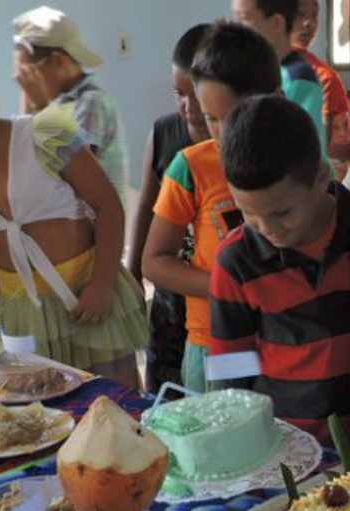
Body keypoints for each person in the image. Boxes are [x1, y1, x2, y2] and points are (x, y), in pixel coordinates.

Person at [0, 31, 147, 388]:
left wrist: (102, 284)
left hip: (85, 294)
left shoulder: (44, 137)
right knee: (44, 413)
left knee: (114, 401)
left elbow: (108, 205)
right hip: (20, 311)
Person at [209, 95, 350, 446]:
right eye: (249, 213)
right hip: (285, 450)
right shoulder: (236, 261)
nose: (266, 228)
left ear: (322, 176)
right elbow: (231, 374)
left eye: (281, 212)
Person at [142, 22, 282, 392]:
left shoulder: (294, 162)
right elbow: (154, 261)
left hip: (282, 333)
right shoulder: (190, 167)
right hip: (212, 341)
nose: (222, 132)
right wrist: (231, 288)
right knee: (219, 442)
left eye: (232, 116)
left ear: (275, 102)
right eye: (211, 118)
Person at [128, 23, 212, 394]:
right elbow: (146, 206)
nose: (188, 107)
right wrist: (132, 276)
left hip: (214, 297)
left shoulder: (239, 142)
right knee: (166, 392)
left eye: (196, 94)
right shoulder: (163, 133)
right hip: (171, 291)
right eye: (179, 93)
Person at [12, 6, 129, 207]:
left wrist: (39, 107)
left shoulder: (91, 102)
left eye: (29, 76)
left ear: (58, 61)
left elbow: (71, 176)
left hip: (94, 232)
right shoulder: (60, 104)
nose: (26, 85)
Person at [231, 0, 328, 149]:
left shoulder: (298, 80)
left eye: (243, 19)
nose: (235, 29)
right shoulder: (252, 71)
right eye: (235, 18)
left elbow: (297, 153)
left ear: (276, 23)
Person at [290, 0, 350, 158]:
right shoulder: (261, 69)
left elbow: (331, 149)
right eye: (300, 14)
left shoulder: (326, 78)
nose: (308, 23)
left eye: (314, 16)